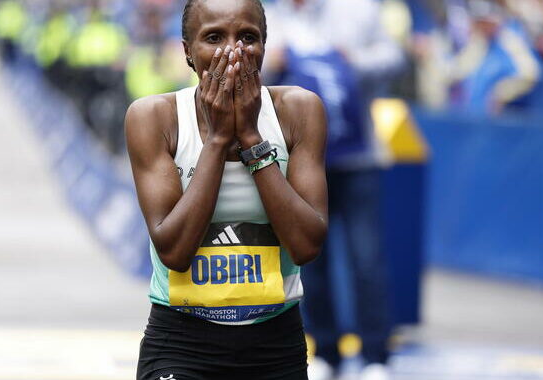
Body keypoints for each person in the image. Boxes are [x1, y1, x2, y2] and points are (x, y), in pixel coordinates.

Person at [125, 0, 328, 378]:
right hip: (181, 341)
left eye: (248, 37)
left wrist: (250, 136)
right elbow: (174, 250)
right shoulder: (154, 118)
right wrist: (218, 140)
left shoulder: (299, 110)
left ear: (265, 46)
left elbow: (306, 245)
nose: (233, 52)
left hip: (274, 343)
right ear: (187, 51)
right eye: (214, 37)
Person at [264, 1, 403, 379]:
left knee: (367, 260)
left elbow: (395, 57)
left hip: (358, 160)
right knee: (310, 261)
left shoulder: (358, 10)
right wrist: (272, 63)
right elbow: (250, 78)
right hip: (301, 164)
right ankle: (325, 349)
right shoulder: (269, 18)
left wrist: (352, 60)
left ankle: (376, 357)